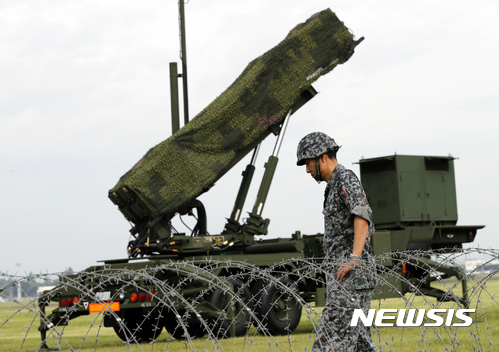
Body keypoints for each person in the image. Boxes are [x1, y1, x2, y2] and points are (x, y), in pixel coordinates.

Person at [296, 132, 377, 351]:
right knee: (360, 343)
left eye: (307, 163)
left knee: (328, 344)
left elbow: (362, 215)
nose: (307, 170)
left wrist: (354, 259)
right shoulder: (333, 186)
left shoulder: (344, 178)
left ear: (321, 157)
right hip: (351, 279)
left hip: (350, 281)